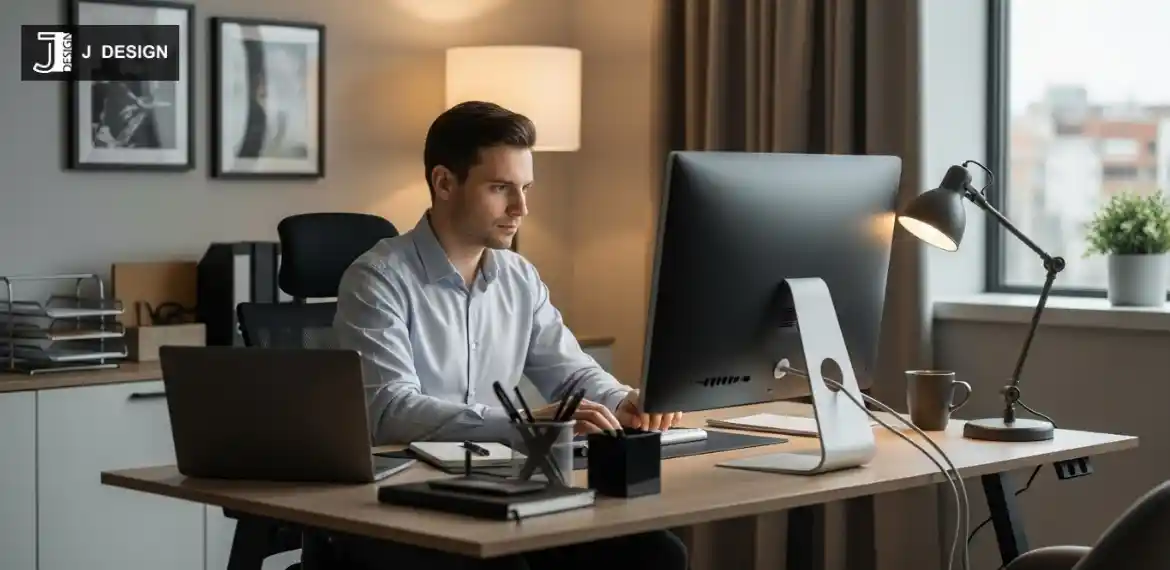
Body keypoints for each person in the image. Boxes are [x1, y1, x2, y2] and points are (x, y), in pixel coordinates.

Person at [330, 101, 689, 570]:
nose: (521, 208)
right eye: (501, 188)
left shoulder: (519, 277)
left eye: (525, 188)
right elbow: (390, 411)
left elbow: (570, 371)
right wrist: (521, 427)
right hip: (403, 504)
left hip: (501, 489)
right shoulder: (378, 279)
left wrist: (620, 401)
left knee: (655, 554)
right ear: (444, 183)